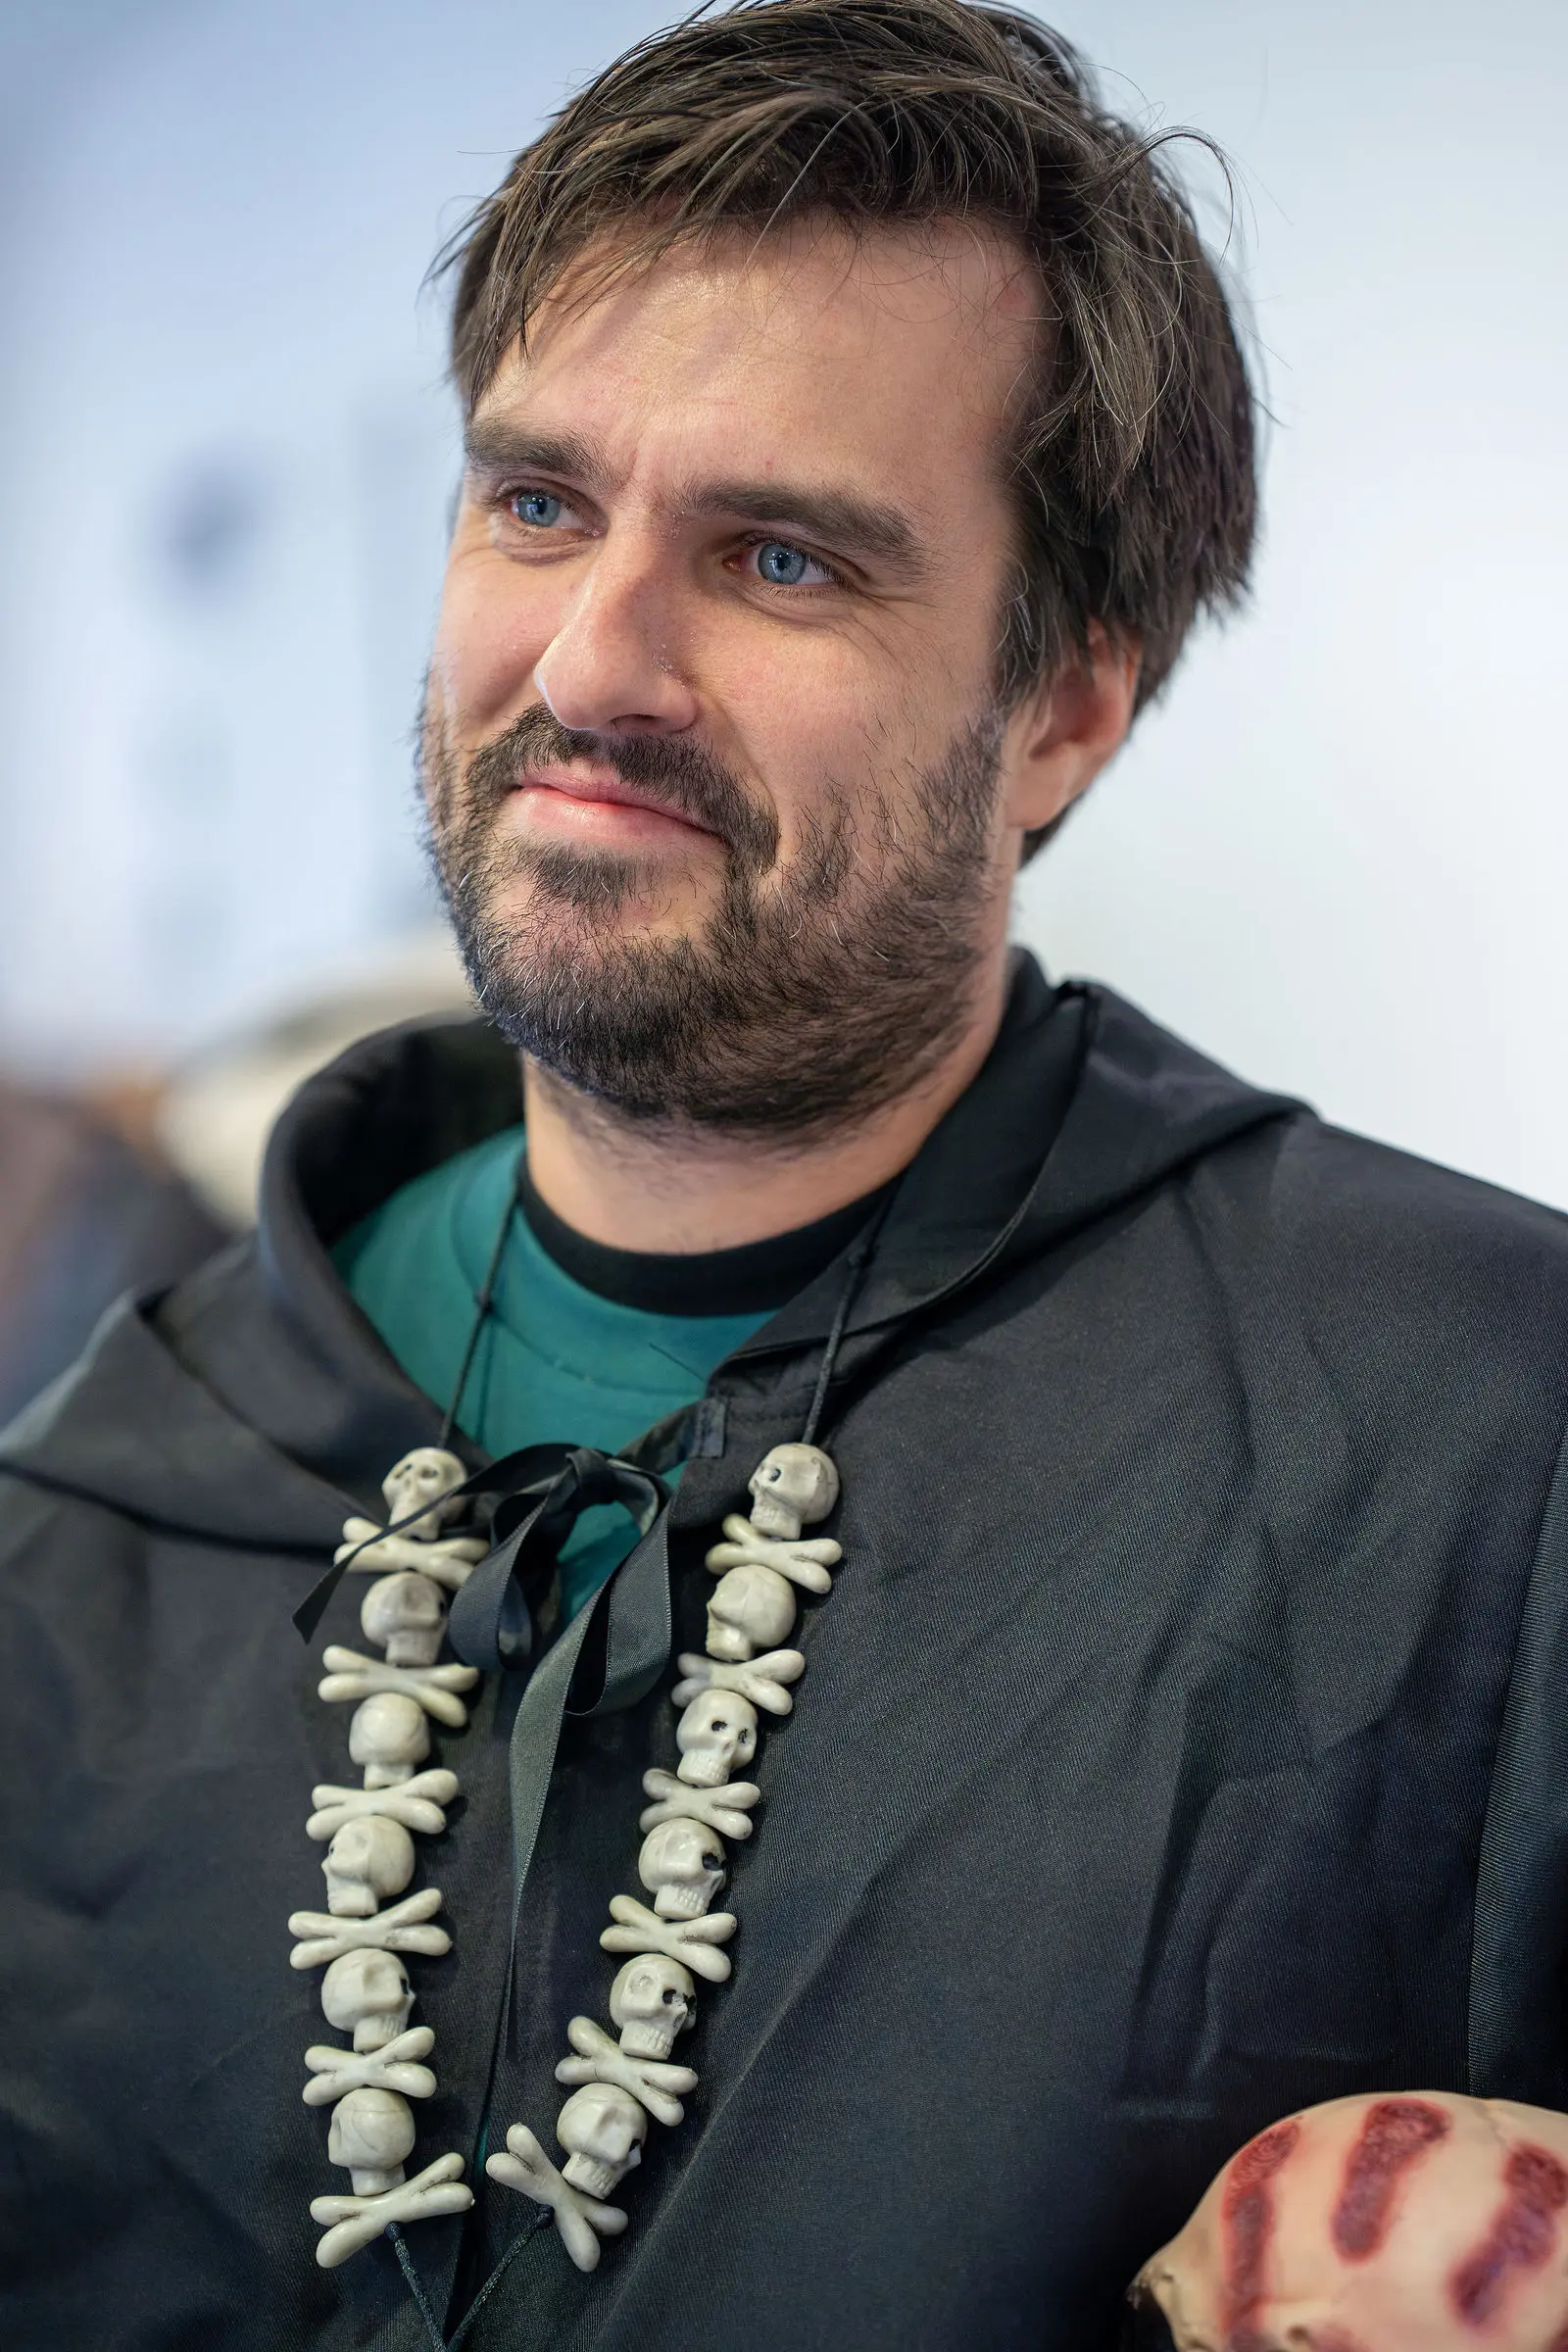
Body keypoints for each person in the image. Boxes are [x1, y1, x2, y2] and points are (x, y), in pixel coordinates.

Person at [3, 4, 1566, 2347]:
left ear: (1061, 709)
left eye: (776, 557)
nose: (591, 662)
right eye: (539, 505)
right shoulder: (84, 1535)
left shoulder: (1468, 1460)